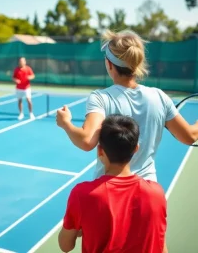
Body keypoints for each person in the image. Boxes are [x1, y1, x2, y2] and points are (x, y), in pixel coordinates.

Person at [57, 29, 198, 181]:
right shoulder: (159, 96)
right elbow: (190, 136)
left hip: (110, 193)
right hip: (147, 192)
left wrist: (66, 123)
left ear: (109, 64)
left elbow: (86, 141)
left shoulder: (100, 98)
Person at [58, 114, 167, 253]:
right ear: (136, 149)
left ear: (100, 151)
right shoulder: (156, 193)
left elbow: (65, 246)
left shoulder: (82, 194)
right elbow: (160, 243)